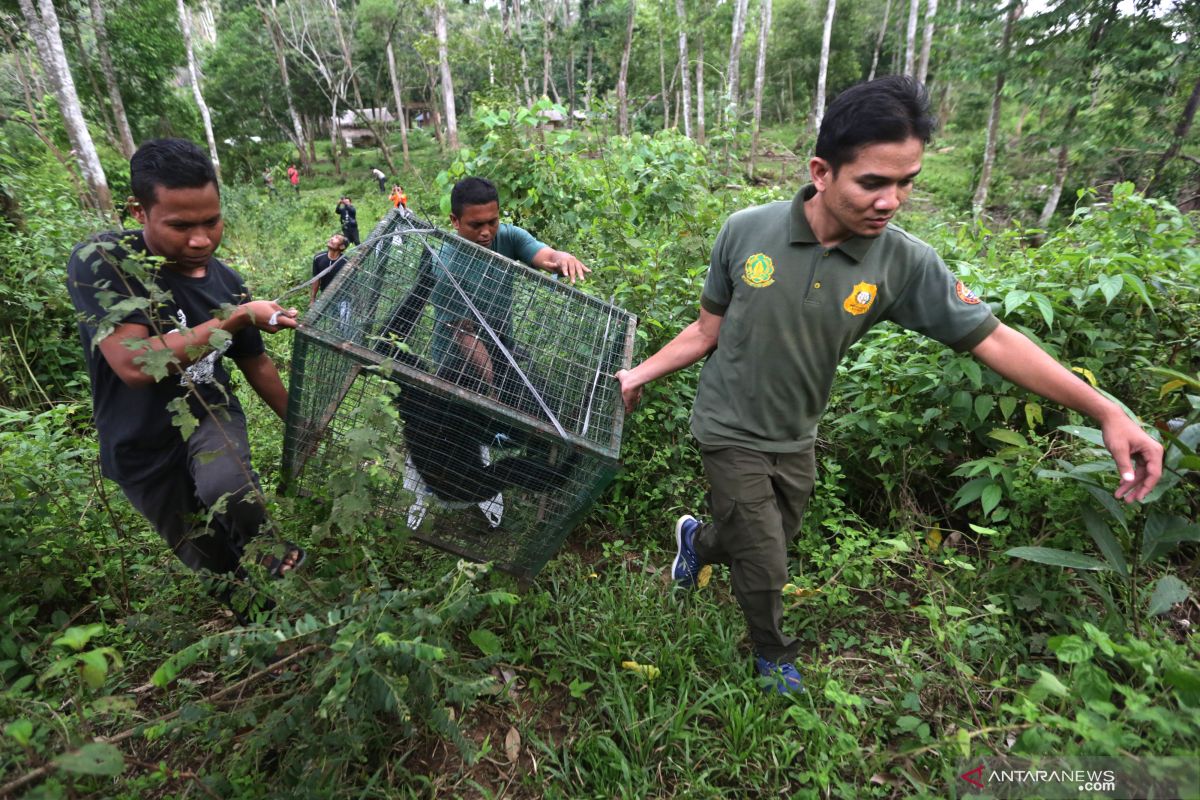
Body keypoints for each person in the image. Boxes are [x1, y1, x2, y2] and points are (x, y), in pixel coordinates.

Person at [615, 76, 1164, 695]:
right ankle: (772, 656)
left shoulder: (902, 263)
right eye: (873, 182)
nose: (891, 201)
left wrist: (1104, 410)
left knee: (760, 537)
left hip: (796, 434)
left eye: (907, 183)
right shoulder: (745, 230)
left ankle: (695, 541)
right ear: (822, 171)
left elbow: (995, 339)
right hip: (727, 426)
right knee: (766, 559)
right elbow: (706, 329)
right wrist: (639, 373)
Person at [66, 138, 304, 621]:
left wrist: (300, 424)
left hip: (207, 411)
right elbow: (136, 365)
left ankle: (281, 563)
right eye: (180, 225)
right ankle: (262, 627)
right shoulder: (103, 260)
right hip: (139, 447)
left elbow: (254, 363)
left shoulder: (227, 281)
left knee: (228, 485)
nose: (200, 240)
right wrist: (235, 318)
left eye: (211, 221)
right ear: (139, 211)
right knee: (211, 562)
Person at [309, 233, 350, 305]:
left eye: (336, 238)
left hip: (343, 299)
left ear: (342, 246)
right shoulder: (318, 258)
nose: (332, 239)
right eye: (332, 237)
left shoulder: (346, 262)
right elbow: (316, 279)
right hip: (325, 298)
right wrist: (312, 299)